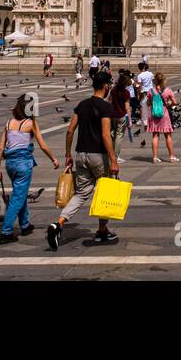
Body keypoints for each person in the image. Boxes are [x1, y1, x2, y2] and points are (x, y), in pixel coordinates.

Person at [48, 73, 120, 251]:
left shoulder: (82, 105)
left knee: (81, 193)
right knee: (105, 193)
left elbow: (70, 130)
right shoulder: (106, 107)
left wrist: (68, 154)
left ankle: (59, 223)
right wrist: (113, 160)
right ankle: (102, 231)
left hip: (80, 155)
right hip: (98, 156)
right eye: (109, 85)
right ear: (105, 86)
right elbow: (105, 135)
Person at [0, 94, 60, 244]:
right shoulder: (30, 123)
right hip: (23, 164)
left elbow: (1, 147)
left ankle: (25, 225)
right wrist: (54, 159)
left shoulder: (8, 123)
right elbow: (42, 145)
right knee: (17, 198)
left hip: (9, 164)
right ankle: (6, 232)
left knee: (19, 192)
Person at [147, 73, 179, 163]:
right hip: (164, 114)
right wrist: (168, 104)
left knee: (155, 135)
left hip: (154, 115)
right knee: (168, 135)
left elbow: (148, 104)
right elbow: (175, 103)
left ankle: (155, 157)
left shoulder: (151, 91)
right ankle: (172, 156)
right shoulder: (168, 90)